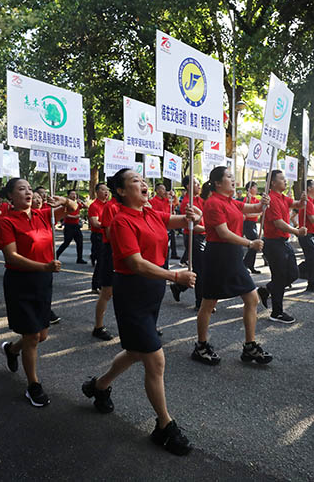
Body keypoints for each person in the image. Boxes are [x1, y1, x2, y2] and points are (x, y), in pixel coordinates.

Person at [81, 168, 199, 456]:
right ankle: (164, 426)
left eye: (142, 179)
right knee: (155, 359)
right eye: (135, 181)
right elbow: (135, 263)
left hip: (152, 292)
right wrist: (174, 276)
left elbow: (172, 220)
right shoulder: (121, 221)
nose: (143, 183)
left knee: (136, 352)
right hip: (132, 292)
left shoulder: (149, 213)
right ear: (121, 191)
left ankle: (98, 386)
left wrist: (189, 216)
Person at [0, 178, 75, 407]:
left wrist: (62, 199)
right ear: (10, 196)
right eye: (21, 189)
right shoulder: (6, 222)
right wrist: (44, 266)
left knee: (41, 335)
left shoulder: (43, 215)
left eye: (30, 188)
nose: (28, 192)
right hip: (20, 281)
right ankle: (33, 386)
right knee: (31, 337)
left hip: (43, 281)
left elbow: (72, 208)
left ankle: (12, 350)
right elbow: (11, 257)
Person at [191, 166, 272, 365]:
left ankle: (249, 346)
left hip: (233, 255)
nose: (233, 180)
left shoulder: (230, 201)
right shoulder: (212, 203)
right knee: (209, 303)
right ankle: (201, 346)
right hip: (219, 256)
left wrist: (262, 204)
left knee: (252, 298)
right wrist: (250, 243)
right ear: (217, 183)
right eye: (229, 177)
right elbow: (223, 233)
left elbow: (252, 210)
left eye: (232, 176)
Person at [256, 169, 306, 324]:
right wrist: (296, 231)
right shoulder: (270, 199)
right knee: (279, 277)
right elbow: (278, 223)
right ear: (273, 182)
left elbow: (297, 204)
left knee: (293, 274)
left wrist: (302, 200)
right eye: (282, 179)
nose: (285, 181)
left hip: (284, 242)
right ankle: (276, 313)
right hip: (273, 243)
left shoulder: (283, 197)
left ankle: (267, 290)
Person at [91, 187, 122, 341]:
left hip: (125, 251)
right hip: (111, 251)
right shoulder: (111, 207)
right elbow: (109, 234)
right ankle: (98, 327)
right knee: (107, 292)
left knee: (127, 293)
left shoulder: (128, 205)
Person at [172, 175, 206, 311]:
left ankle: (179, 286)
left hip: (203, 236)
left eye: (198, 183)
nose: (199, 185)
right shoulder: (187, 202)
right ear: (187, 186)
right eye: (196, 183)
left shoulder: (200, 199)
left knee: (200, 269)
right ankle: (200, 302)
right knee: (200, 271)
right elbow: (191, 225)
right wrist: (208, 229)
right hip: (194, 237)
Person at [56, 189, 87, 264]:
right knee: (66, 242)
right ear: (68, 195)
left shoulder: (77, 204)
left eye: (75, 194)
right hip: (69, 226)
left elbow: (86, 206)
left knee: (80, 242)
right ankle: (56, 255)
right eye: (72, 194)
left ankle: (79, 258)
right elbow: (65, 214)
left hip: (76, 226)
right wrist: (75, 217)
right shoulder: (66, 204)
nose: (74, 195)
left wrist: (81, 201)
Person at [88, 183, 108, 292]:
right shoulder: (94, 206)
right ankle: (95, 285)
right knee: (100, 261)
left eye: (107, 190)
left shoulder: (109, 205)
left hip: (107, 235)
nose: (106, 192)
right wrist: (108, 225)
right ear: (97, 192)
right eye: (103, 190)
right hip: (98, 236)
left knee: (106, 261)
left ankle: (104, 284)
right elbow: (95, 223)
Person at [242, 181, 262, 274]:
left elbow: (260, 209)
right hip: (247, 224)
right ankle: (245, 264)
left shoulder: (256, 200)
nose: (256, 189)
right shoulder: (246, 199)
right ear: (250, 189)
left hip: (253, 224)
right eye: (255, 187)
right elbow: (246, 214)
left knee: (254, 245)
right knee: (254, 243)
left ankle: (250, 264)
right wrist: (258, 214)